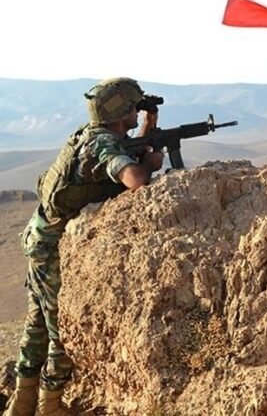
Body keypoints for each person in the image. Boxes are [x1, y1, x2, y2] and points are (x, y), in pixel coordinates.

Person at [4, 78, 164, 416]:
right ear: (120, 111)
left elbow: (125, 150)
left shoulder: (92, 134)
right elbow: (134, 179)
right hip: (52, 246)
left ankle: (21, 405)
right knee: (61, 327)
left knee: (37, 323)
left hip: (41, 236)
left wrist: (149, 126)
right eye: (134, 107)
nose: (137, 112)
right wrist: (149, 165)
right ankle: (49, 406)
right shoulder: (102, 143)